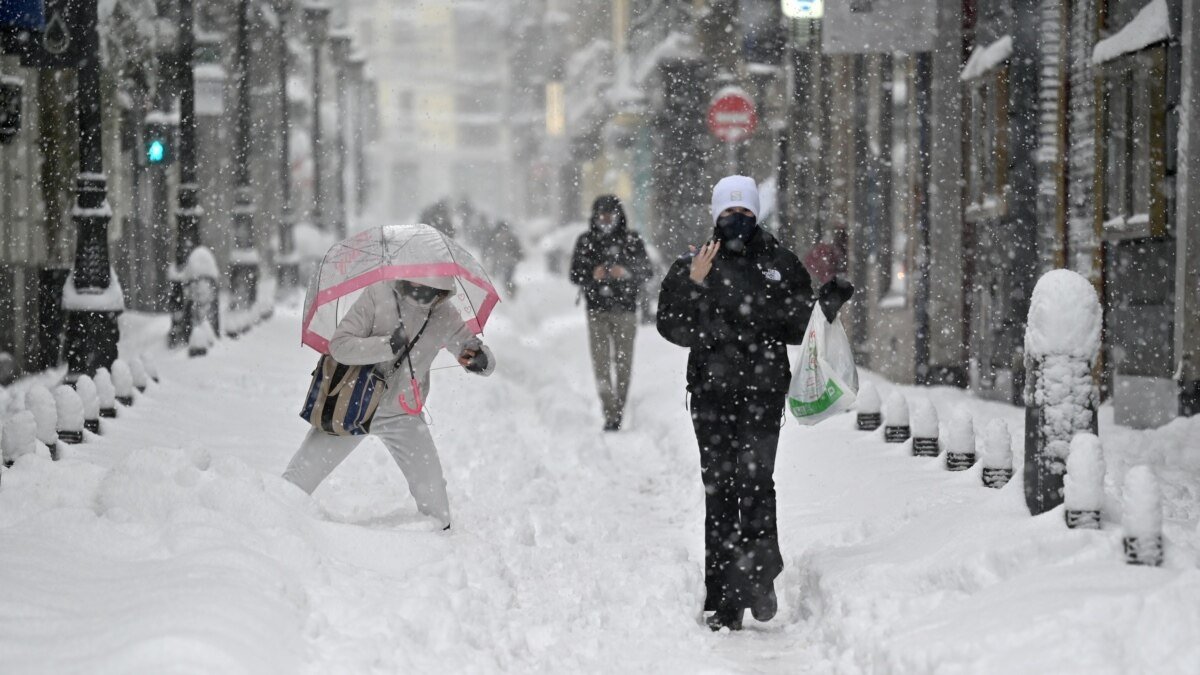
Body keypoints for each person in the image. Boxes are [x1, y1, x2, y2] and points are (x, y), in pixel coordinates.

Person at [656, 176, 853, 631]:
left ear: (756, 214)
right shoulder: (693, 264)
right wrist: (695, 284)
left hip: (762, 396)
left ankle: (761, 579)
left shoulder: (780, 264)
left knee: (757, 485)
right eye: (728, 213)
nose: (736, 221)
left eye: (745, 213)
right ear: (715, 215)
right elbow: (674, 328)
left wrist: (826, 305)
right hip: (710, 397)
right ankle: (724, 600)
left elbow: (798, 326)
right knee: (720, 495)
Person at [283, 277, 495, 529]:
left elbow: (474, 351)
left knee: (438, 514)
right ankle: (270, 531)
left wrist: (480, 360)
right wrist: (388, 345)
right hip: (351, 406)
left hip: (402, 414)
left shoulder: (444, 313)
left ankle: (437, 551)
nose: (424, 280)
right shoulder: (378, 293)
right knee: (290, 490)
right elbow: (339, 345)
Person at [570, 195, 652, 431]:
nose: (606, 220)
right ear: (595, 217)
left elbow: (646, 271)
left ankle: (620, 406)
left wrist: (625, 272)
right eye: (601, 216)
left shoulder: (631, 240)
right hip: (596, 310)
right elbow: (574, 274)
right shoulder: (585, 241)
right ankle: (610, 412)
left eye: (610, 215)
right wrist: (591, 274)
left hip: (626, 310)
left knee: (624, 363)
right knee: (601, 363)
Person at [489, 220, 524, 297]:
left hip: (505, 262)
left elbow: (494, 252)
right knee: (507, 278)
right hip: (509, 262)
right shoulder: (511, 237)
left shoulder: (498, 238)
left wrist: (494, 266)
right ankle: (510, 290)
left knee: (506, 279)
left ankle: (510, 291)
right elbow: (518, 249)